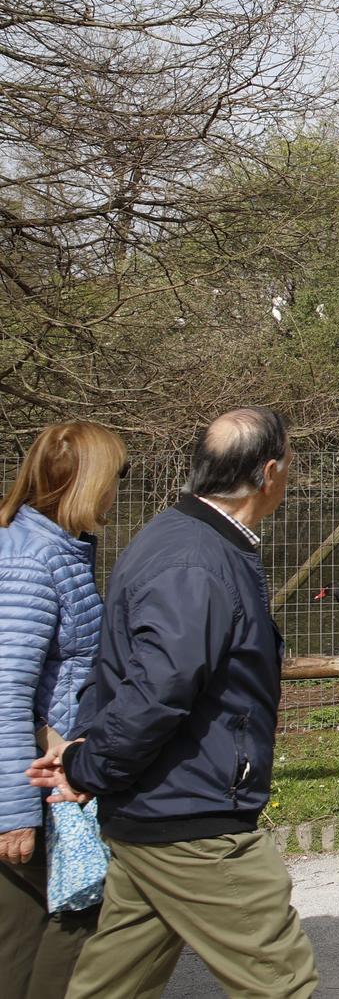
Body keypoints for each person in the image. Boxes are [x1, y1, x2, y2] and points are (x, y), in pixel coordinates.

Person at [29, 408, 317, 998]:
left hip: (156, 810)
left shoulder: (193, 539)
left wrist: (91, 761)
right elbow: (157, 690)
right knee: (280, 979)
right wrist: (89, 766)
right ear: (269, 473)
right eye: (290, 463)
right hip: (189, 819)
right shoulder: (194, 562)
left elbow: (132, 674)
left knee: (115, 984)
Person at [0, 422, 125, 999]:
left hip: (48, 769)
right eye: (114, 475)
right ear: (87, 481)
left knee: (23, 929)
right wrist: (15, 813)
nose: (117, 489)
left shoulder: (59, 547)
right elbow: (5, 690)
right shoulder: (30, 559)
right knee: (80, 912)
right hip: (33, 778)